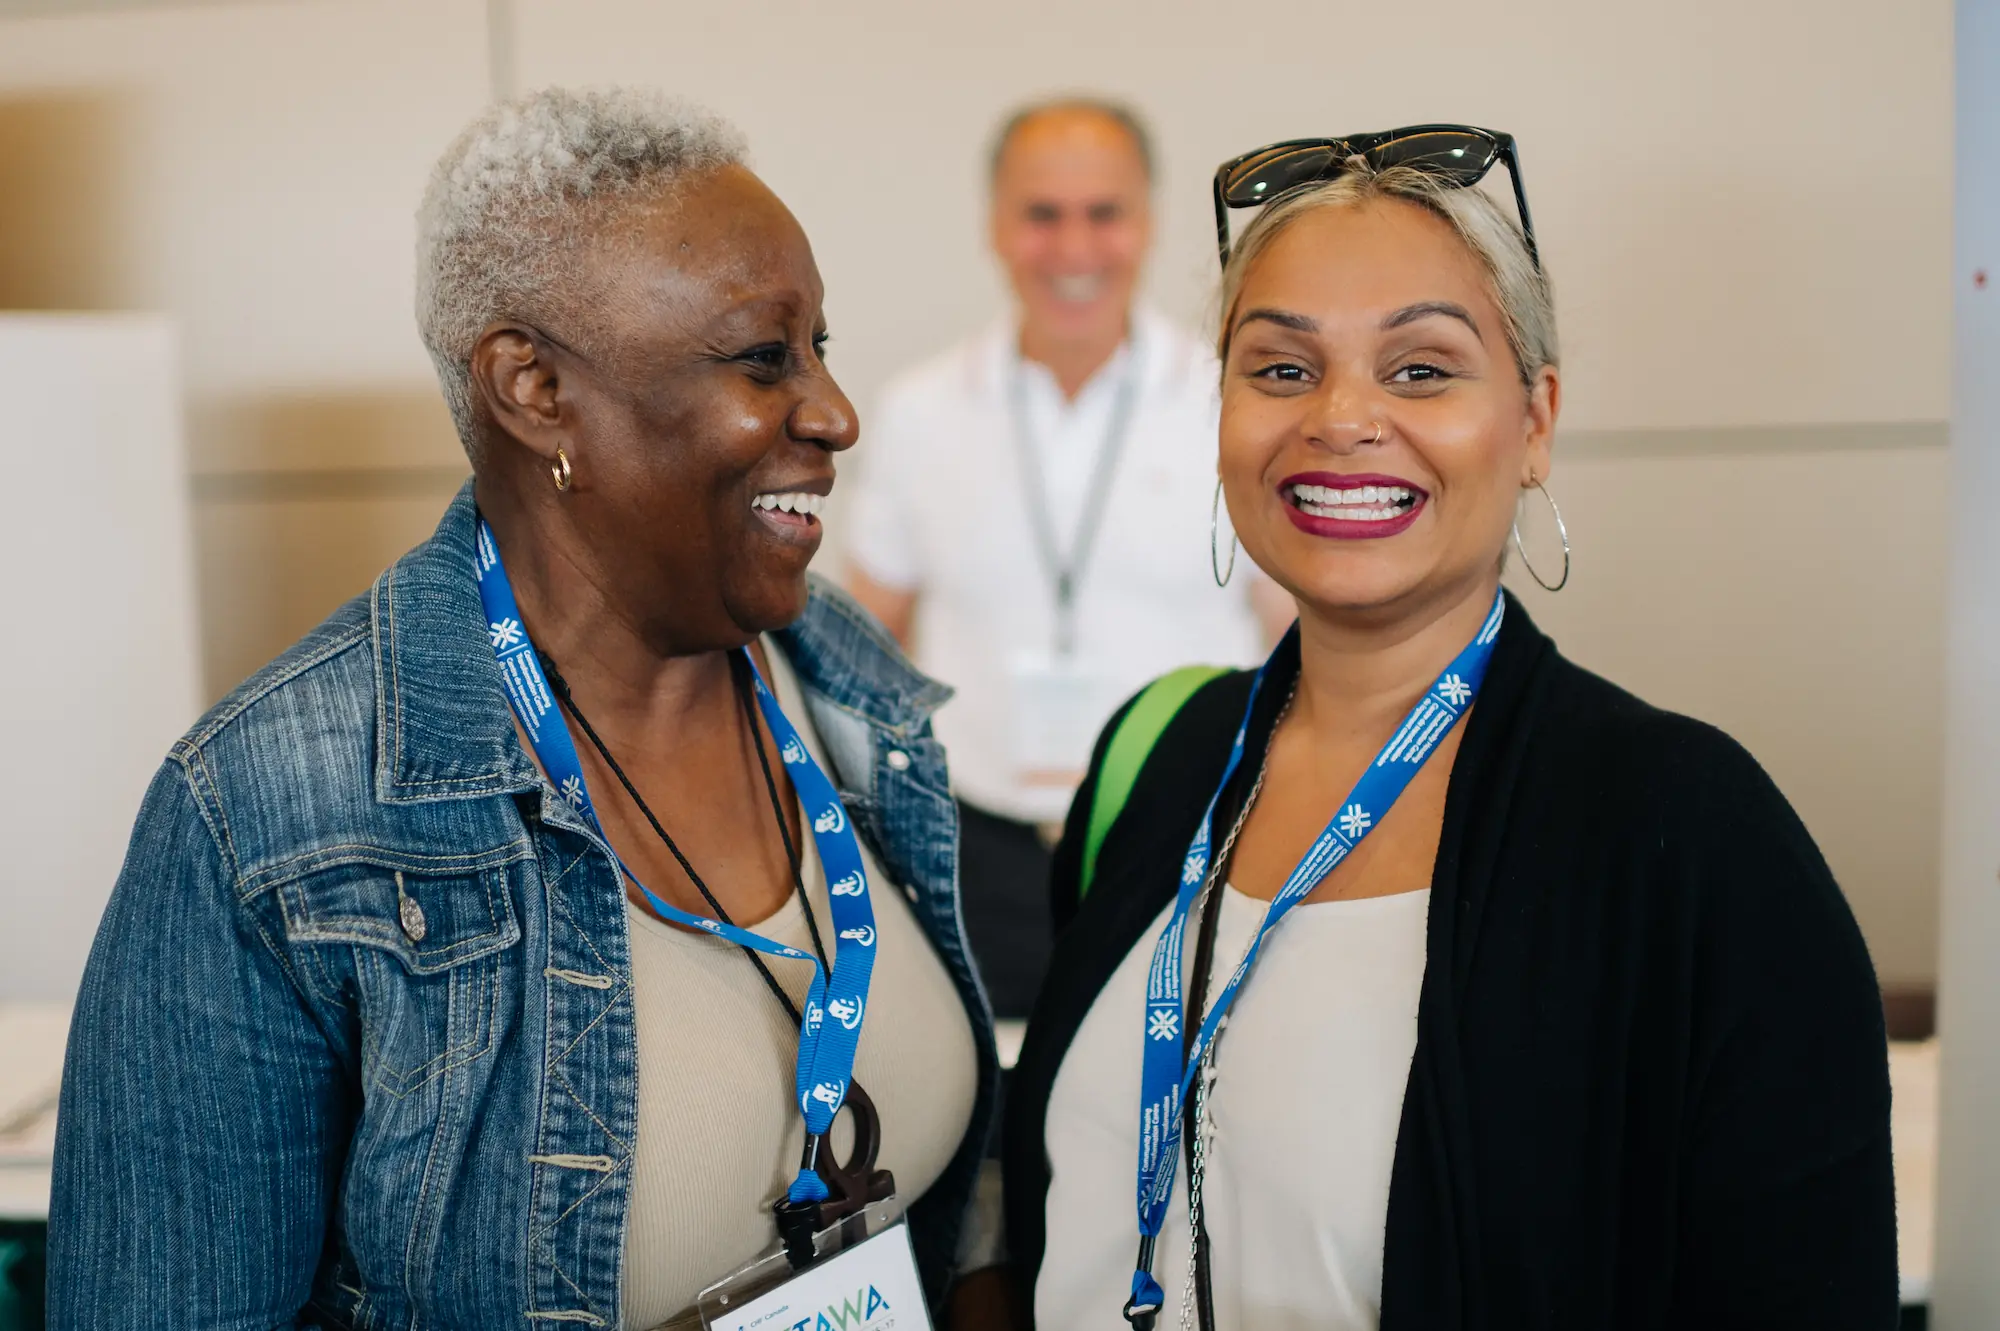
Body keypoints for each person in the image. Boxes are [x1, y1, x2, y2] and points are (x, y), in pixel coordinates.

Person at [49, 88, 1002, 1330]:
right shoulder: (270, 811)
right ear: (535, 387)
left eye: (821, 346)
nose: (832, 411)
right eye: (765, 356)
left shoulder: (840, 675)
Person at [1003, 129, 1897, 1329]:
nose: (1341, 418)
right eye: (1278, 369)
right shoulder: (1162, 758)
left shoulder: (1683, 830)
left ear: (1533, 423)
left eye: (1420, 368)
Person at [845, 98, 1284, 1020]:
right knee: (993, 1126)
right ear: (997, 227)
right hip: (974, 843)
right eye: (1043, 214)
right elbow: (867, 644)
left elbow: (1295, 631)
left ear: (1149, 223)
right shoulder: (921, 410)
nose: (1075, 246)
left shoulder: (1233, 400)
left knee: (1156, 1112)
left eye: (1104, 212)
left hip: (1189, 829)